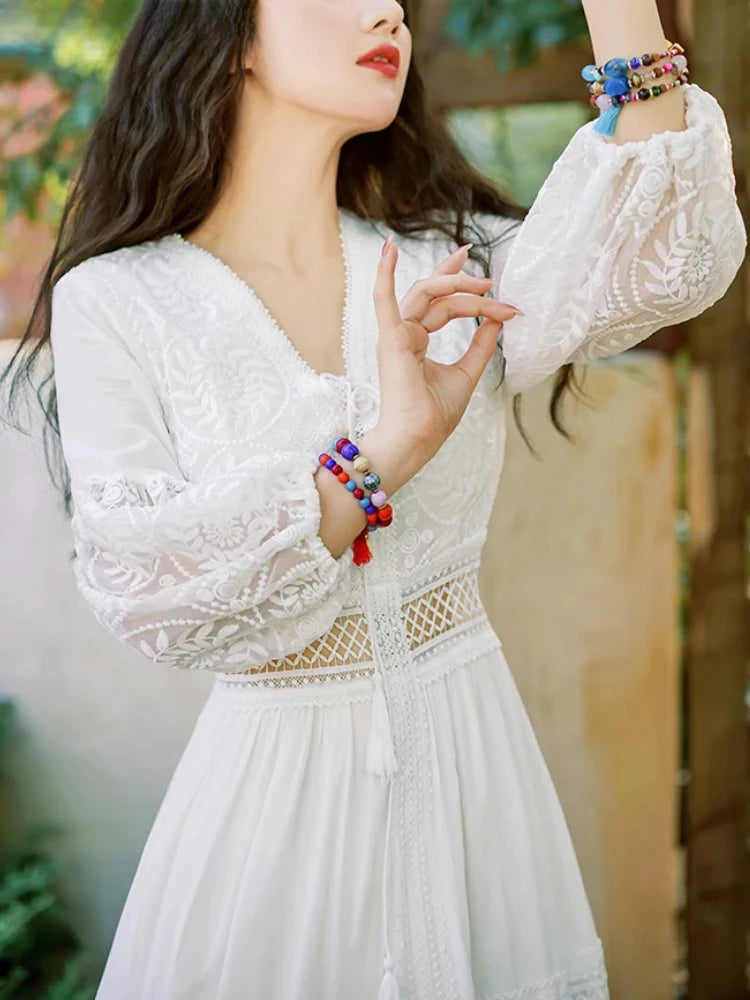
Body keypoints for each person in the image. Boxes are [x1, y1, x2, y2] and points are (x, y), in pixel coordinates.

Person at [2, 0, 745, 997]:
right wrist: (389, 450)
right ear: (230, 36)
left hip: (478, 787)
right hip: (278, 822)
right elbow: (156, 589)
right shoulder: (120, 299)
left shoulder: (456, 260)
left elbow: (666, 247)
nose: (386, 9)